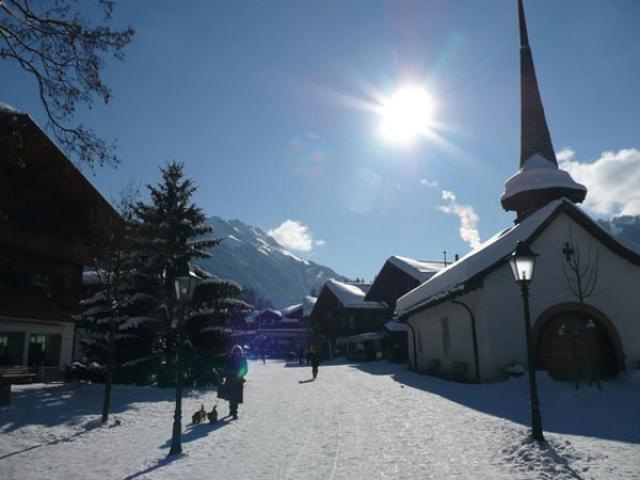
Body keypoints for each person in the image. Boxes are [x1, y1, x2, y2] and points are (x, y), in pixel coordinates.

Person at [224, 345, 248, 419]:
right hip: (230, 379)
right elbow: (225, 368)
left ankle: (234, 411)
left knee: (236, 397)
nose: (237, 353)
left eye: (238, 351)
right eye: (235, 351)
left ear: (240, 352)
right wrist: (229, 372)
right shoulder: (229, 358)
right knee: (231, 396)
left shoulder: (243, 359)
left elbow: (245, 369)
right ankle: (232, 410)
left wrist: (239, 375)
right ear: (233, 351)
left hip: (238, 380)